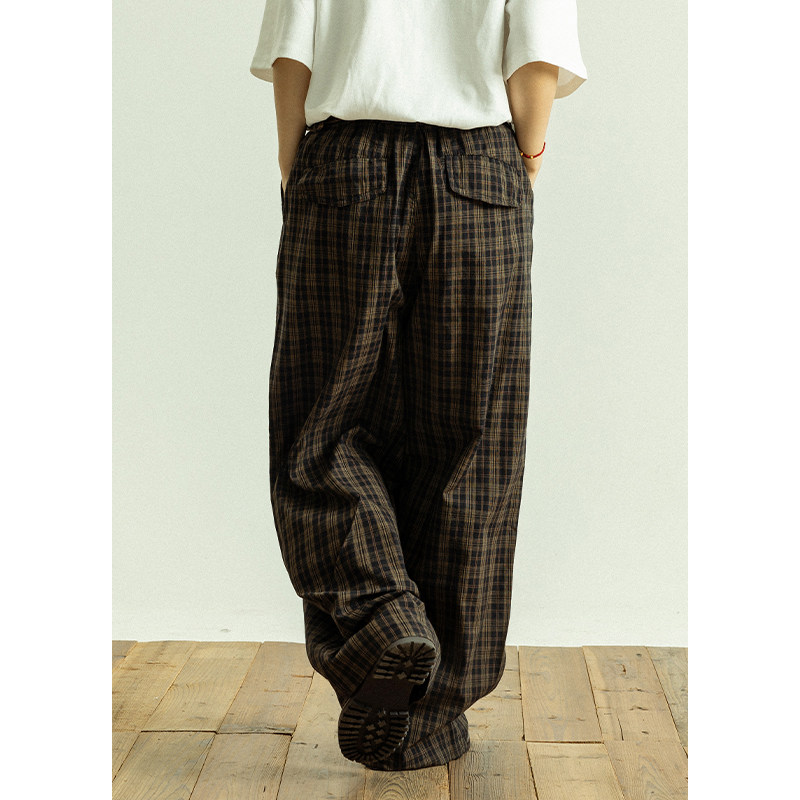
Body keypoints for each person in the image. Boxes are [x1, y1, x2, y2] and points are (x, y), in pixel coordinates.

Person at [249, 0, 588, 772]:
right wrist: (528, 155)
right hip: (481, 167)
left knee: (321, 426)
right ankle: (429, 717)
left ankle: (382, 623)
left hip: (345, 162)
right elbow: (534, 54)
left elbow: (293, 49)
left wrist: (293, 164)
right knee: (471, 447)